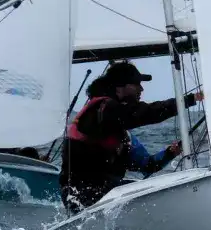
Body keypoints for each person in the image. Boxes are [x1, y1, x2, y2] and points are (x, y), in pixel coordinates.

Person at [59, 61, 203, 212]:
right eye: (136, 84)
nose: (141, 89)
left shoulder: (120, 133)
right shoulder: (102, 110)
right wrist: (190, 99)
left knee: (149, 188)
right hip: (82, 194)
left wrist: (170, 153)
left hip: (104, 193)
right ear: (120, 87)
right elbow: (147, 113)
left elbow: (148, 166)